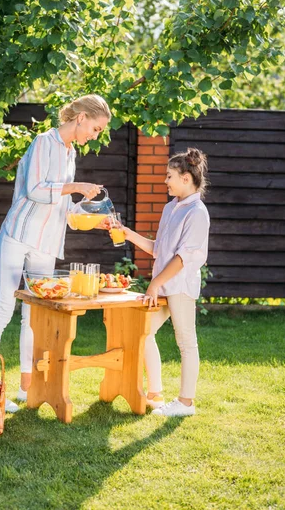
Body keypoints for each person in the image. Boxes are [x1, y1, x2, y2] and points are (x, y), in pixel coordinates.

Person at [0, 94, 111, 410]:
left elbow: (62, 203)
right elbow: (36, 189)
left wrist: (87, 211)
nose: (94, 136)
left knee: (35, 316)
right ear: (80, 118)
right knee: (2, 306)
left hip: (46, 243)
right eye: (94, 128)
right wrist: (76, 186)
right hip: (18, 236)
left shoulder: (70, 154)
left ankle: (28, 387)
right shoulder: (44, 142)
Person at [115, 148, 210, 417]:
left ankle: (185, 403)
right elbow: (161, 249)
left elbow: (184, 257)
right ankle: (155, 394)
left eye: (169, 176)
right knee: (142, 333)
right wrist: (128, 234)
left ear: (186, 178)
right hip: (164, 284)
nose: (165, 181)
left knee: (186, 343)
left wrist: (155, 283)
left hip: (179, 287)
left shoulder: (197, 212)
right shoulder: (171, 208)